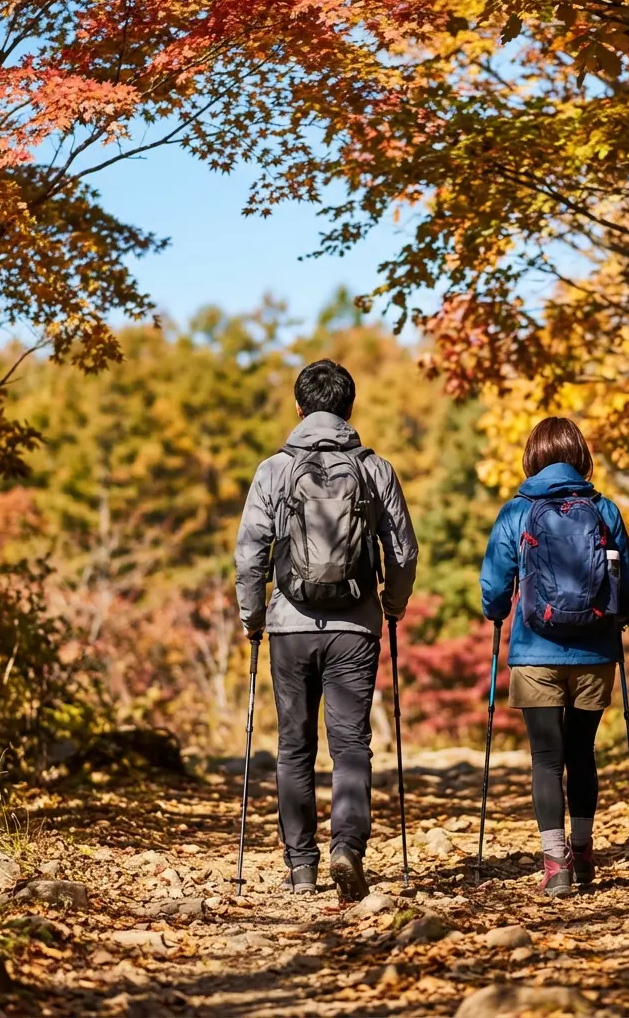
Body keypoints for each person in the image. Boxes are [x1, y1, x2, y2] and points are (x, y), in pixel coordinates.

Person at [234, 359, 418, 902]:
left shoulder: (274, 470)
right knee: (351, 744)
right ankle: (348, 849)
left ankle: (301, 867)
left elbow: (250, 554)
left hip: (289, 626)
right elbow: (402, 551)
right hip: (355, 628)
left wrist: (253, 617)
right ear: (349, 408)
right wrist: (392, 605)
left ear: (299, 408)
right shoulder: (375, 469)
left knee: (294, 746)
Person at [479, 417, 629, 897]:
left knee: (546, 759)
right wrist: (619, 619)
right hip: (594, 651)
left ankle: (556, 865)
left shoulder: (516, 511)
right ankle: (584, 851)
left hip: (535, 653)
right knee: (582, 751)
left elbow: (495, 585)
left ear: (532, 457)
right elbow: (628, 581)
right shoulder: (604, 509)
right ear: (580, 456)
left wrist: (496, 611)